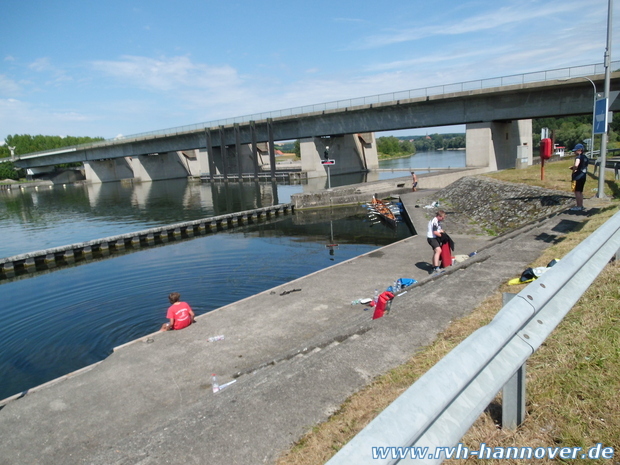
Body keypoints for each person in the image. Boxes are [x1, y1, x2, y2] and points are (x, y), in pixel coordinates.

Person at [569, 143, 589, 211]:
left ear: (580, 150)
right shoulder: (585, 157)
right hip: (583, 175)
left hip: (578, 176)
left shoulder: (578, 157)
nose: (574, 152)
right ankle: (581, 205)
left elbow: (577, 165)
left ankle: (578, 206)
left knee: (577, 192)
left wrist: (573, 169)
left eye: (575, 151)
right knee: (580, 191)